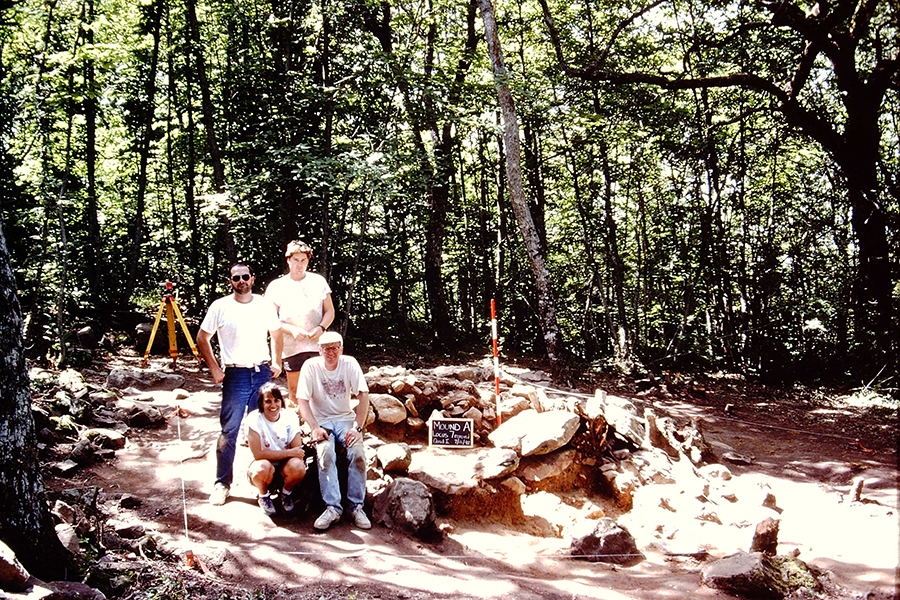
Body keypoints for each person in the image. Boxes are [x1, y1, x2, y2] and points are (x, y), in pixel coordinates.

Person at [197, 263, 283, 506]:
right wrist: (214, 367)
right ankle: (222, 484)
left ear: (253, 279)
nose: (242, 281)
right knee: (229, 431)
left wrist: (277, 361)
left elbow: (276, 334)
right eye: (237, 278)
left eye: (245, 277)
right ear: (230, 281)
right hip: (235, 376)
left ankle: (266, 486)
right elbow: (202, 337)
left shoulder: (264, 305)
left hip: (262, 373)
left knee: (264, 429)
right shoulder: (220, 306)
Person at [297, 331, 371, 530]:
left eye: (335, 347)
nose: (331, 352)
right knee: (325, 453)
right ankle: (333, 508)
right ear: (319, 350)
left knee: (357, 453)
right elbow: (302, 400)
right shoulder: (310, 367)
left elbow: (364, 395)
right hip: (321, 420)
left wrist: (357, 427)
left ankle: (356, 506)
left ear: (341, 349)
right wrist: (314, 427)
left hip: (345, 418)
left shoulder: (349, 363)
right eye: (326, 348)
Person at [265, 240, 335, 408]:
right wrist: (291, 330)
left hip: (318, 345)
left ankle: (321, 428)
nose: (299, 264)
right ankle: (297, 427)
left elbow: (330, 311)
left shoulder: (318, 282)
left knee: (320, 389)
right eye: (296, 260)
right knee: (295, 390)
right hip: (291, 346)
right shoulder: (277, 286)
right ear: (288, 260)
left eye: (303, 260)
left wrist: (321, 328)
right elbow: (269, 318)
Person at [246, 382, 308, 516]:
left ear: (282, 401)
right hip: (264, 466)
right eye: (268, 401)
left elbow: (297, 451)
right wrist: (288, 453)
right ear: (261, 403)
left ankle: (286, 494)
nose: (273, 405)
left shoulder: (290, 416)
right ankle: (263, 496)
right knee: (260, 468)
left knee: (298, 466)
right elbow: (258, 454)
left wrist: (289, 454)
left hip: (285, 466)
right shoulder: (254, 418)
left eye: (276, 400)